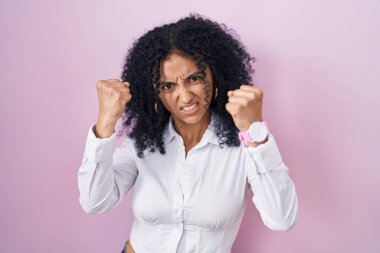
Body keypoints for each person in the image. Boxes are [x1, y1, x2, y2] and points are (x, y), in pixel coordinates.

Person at [77, 13, 298, 253]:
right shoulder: (143, 143)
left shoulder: (244, 146)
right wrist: (105, 122)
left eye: (194, 78)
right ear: (156, 92)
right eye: (168, 86)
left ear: (215, 76)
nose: (185, 96)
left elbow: (282, 219)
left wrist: (255, 132)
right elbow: (94, 203)